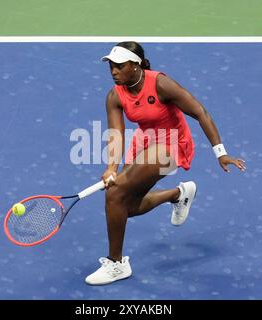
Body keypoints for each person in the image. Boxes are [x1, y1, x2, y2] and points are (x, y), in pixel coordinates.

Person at [85, 41, 246, 285]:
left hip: (173, 144)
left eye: (119, 66)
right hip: (145, 142)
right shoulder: (114, 96)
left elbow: (200, 111)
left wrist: (220, 152)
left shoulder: (160, 83)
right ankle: (178, 194)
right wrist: (111, 168)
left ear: (135, 65)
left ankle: (116, 263)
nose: (114, 71)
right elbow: (116, 134)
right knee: (124, 208)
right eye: (111, 66)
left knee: (114, 194)